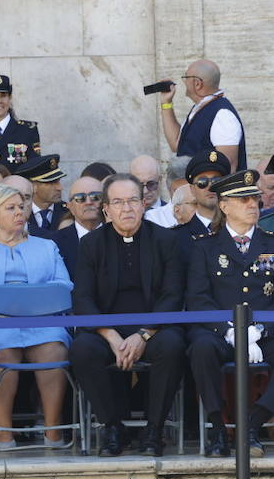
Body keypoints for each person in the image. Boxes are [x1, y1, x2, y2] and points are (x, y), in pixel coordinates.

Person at [185, 169, 274, 458]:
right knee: (201, 350)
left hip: (263, 333)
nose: (252, 205)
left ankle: (252, 425)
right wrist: (230, 331)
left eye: (254, 198)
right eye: (243, 200)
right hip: (221, 332)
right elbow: (198, 299)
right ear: (224, 206)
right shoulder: (204, 247)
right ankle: (218, 429)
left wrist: (260, 329)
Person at [68, 173, 186, 456]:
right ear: (106, 209)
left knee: (172, 346)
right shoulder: (91, 245)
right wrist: (109, 335)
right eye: (118, 202)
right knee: (83, 350)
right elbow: (82, 298)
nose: (127, 208)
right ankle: (112, 428)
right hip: (105, 329)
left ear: (144, 204)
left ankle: (154, 430)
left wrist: (143, 334)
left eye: (133, 200)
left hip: (155, 327)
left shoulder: (166, 241)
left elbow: (173, 295)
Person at [0, 185, 74, 452]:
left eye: (21, 206)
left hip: (42, 320)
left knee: (54, 351)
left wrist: (12, 298)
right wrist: (5, 300)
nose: (19, 212)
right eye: (10, 208)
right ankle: (3, 432)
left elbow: (63, 286)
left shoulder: (46, 246)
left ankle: (53, 430)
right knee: (3, 353)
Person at [158, 58, 246, 169]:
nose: (184, 82)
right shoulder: (200, 108)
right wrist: (166, 103)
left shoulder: (222, 115)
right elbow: (176, 145)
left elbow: (229, 166)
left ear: (197, 84)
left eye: (185, 77)